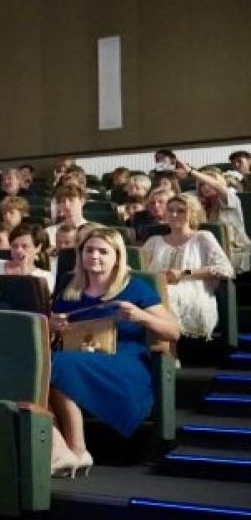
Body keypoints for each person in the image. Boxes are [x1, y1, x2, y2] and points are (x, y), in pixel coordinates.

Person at [49, 228, 180, 477]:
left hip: (123, 362)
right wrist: (52, 326)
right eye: (89, 250)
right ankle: (61, 449)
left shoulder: (136, 288)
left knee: (57, 365)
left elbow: (173, 332)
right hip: (75, 357)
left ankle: (77, 449)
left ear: (117, 257)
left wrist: (140, 316)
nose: (94, 256)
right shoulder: (68, 287)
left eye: (103, 251)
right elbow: (52, 336)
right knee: (48, 365)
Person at [139, 195, 234, 340]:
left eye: (181, 211)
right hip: (156, 289)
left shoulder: (202, 237)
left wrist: (184, 273)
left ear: (192, 213)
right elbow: (139, 268)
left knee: (164, 295)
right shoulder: (154, 241)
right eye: (170, 210)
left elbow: (225, 269)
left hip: (192, 294)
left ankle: (169, 350)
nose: (174, 214)